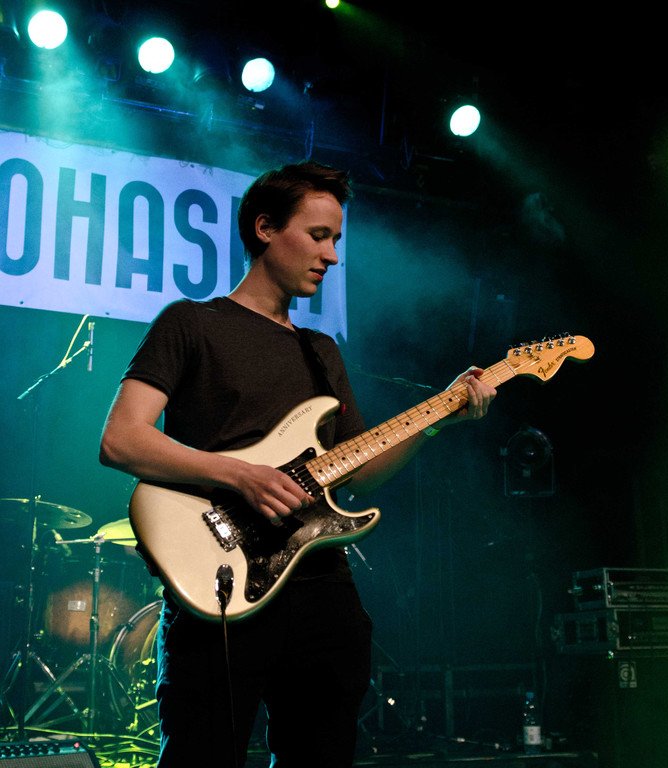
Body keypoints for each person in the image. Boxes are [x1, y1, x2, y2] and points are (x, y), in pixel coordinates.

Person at [99, 160, 497, 768]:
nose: (331, 255)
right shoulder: (192, 323)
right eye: (318, 236)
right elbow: (122, 439)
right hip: (218, 579)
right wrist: (241, 475)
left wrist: (441, 416)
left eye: (335, 239)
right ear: (265, 228)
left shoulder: (321, 351)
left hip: (320, 586)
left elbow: (358, 469)